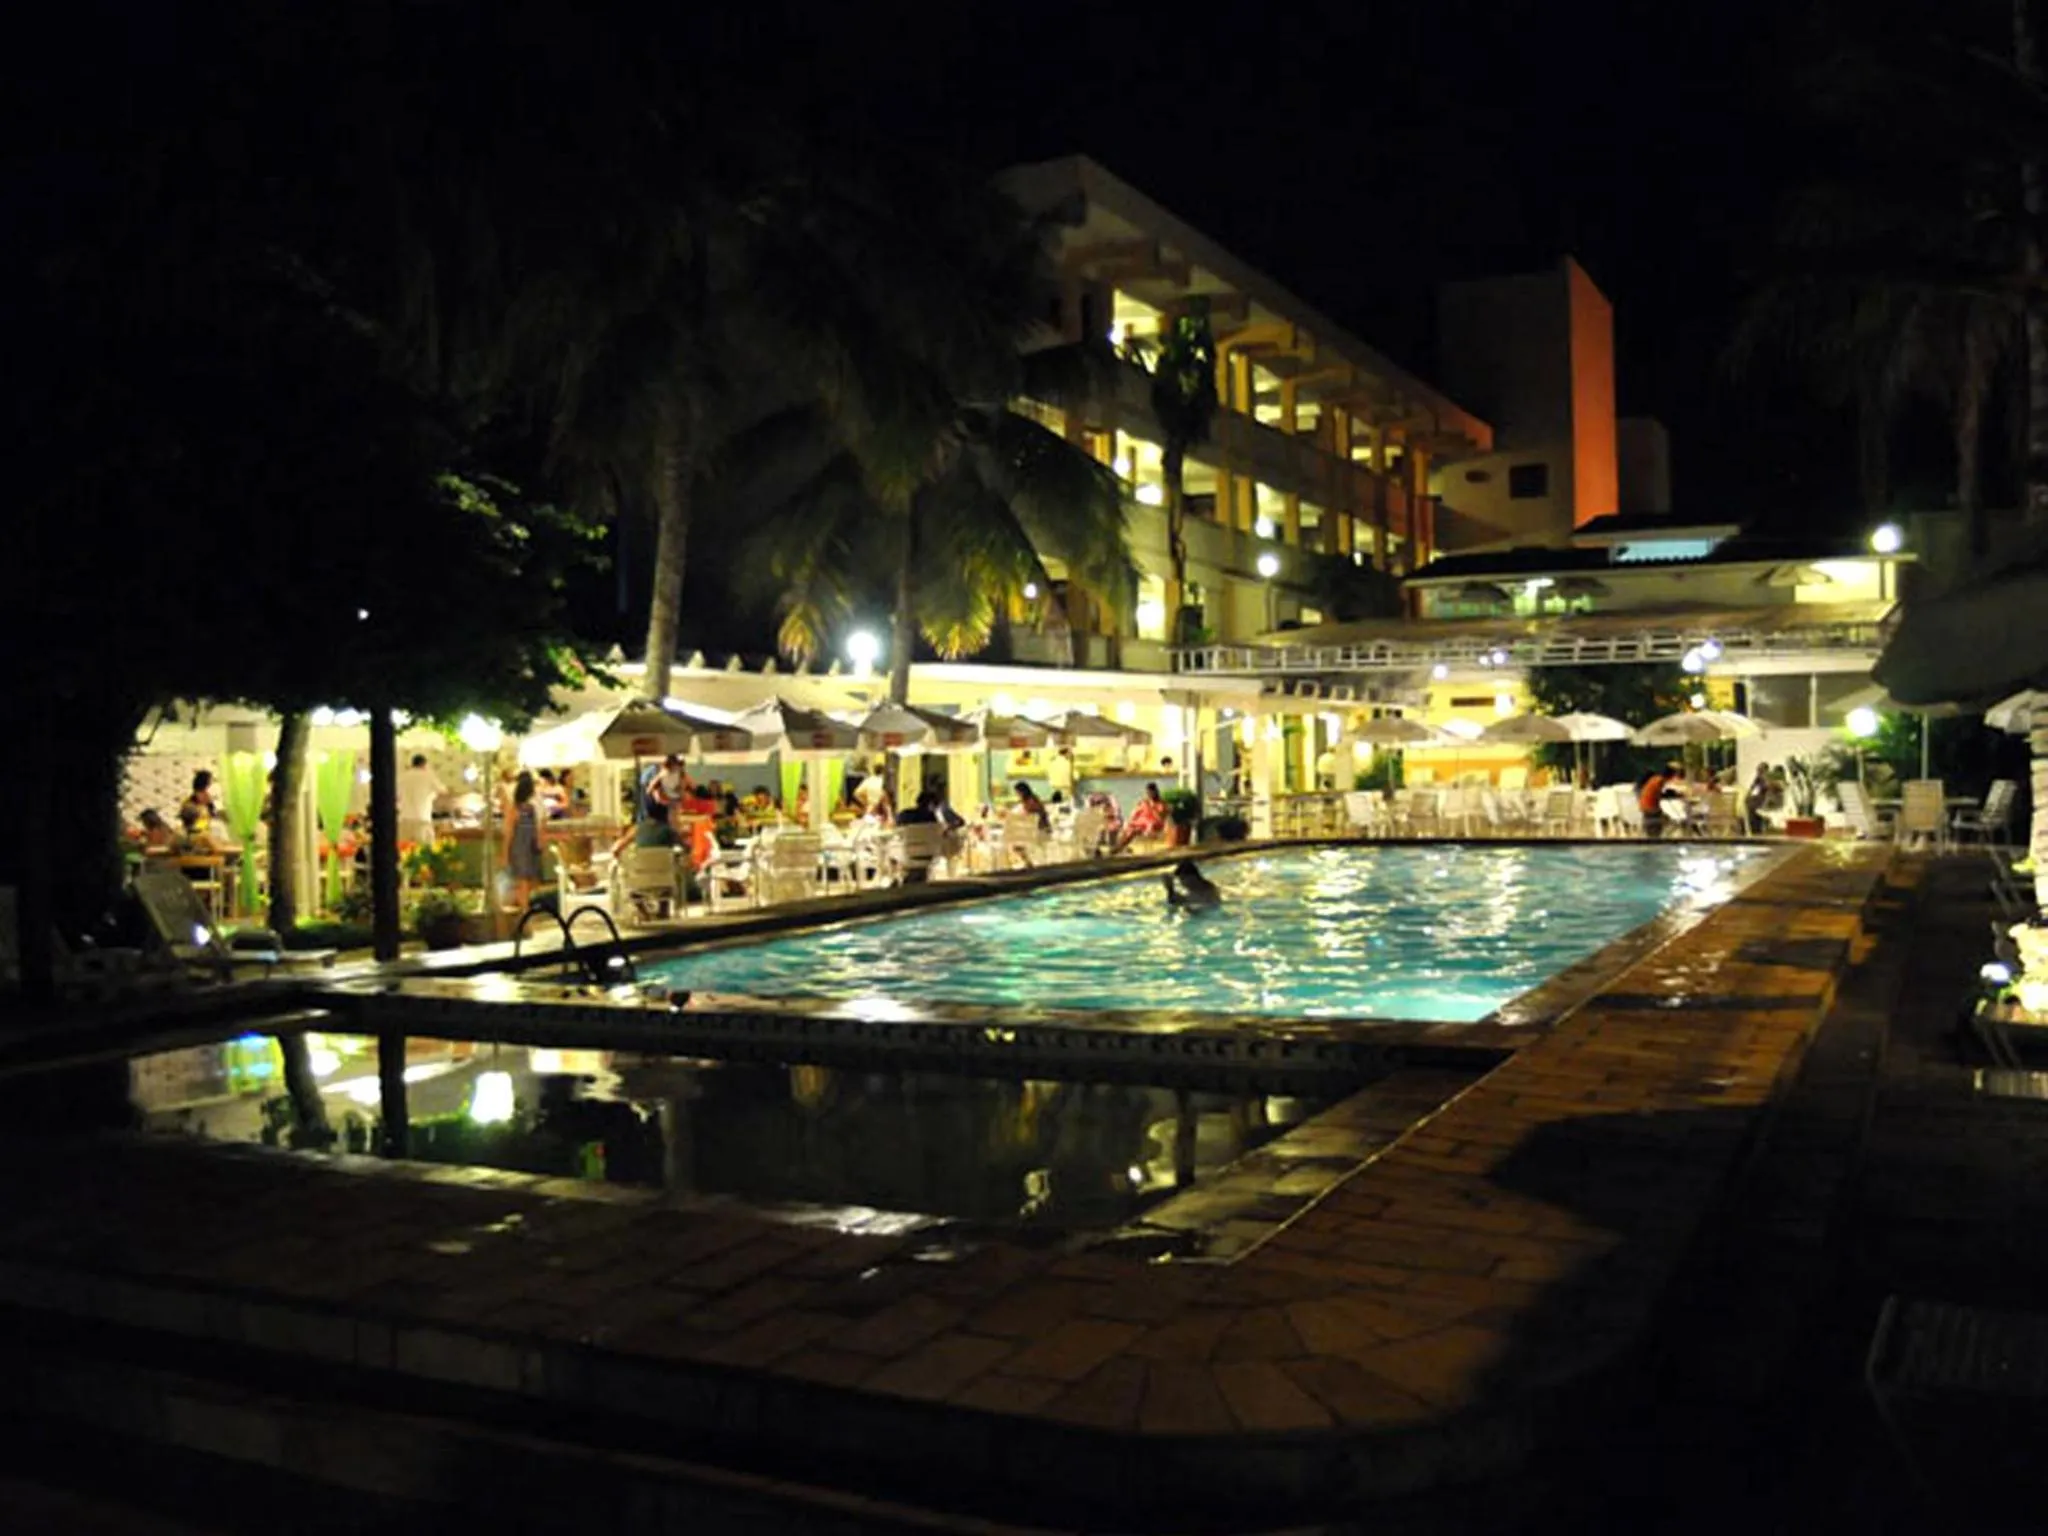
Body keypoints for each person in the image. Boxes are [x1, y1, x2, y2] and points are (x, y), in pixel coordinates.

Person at [503, 770, 544, 910]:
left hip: (520, 846)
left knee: (523, 880)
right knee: (525, 880)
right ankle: (525, 909)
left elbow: (509, 831)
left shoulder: (516, 808)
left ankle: (524, 908)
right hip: (527, 846)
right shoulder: (529, 808)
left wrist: (505, 851)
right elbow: (537, 827)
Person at [398, 752, 444, 849]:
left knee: (404, 851)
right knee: (425, 852)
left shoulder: (402, 777)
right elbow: (443, 791)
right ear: (424, 764)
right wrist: (432, 795)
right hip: (422, 820)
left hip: (404, 820)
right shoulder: (428, 776)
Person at [1115, 782, 1169, 853]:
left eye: (1151, 792)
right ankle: (1119, 847)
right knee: (1127, 828)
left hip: (1153, 825)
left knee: (1134, 830)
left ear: (1156, 792)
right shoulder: (1144, 802)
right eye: (1148, 792)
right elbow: (1135, 814)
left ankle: (1119, 848)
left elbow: (1160, 818)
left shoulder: (1161, 803)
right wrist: (1133, 817)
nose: (1149, 794)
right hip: (1142, 823)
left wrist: (1152, 808)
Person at [1637, 763, 1672, 839]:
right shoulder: (1660, 780)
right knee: (1667, 820)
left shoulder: (1655, 779)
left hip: (1644, 807)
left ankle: (1654, 836)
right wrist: (1673, 794)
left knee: (1666, 819)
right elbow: (1660, 793)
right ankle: (1657, 837)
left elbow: (1657, 793)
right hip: (1651, 808)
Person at [1745, 762, 1774, 834]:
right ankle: (1756, 828)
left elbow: (1770, 789)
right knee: (1749, 805)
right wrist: (1748, 796)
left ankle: (1759, 826)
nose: (1758, 772)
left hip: (1768, 799)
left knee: (1752, 807)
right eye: (1758, 770)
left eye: (1760, 770)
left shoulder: (1769, 778)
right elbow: (1752, 787)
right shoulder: (1758, 778)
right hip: (1761, 798)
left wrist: (1764, 778)